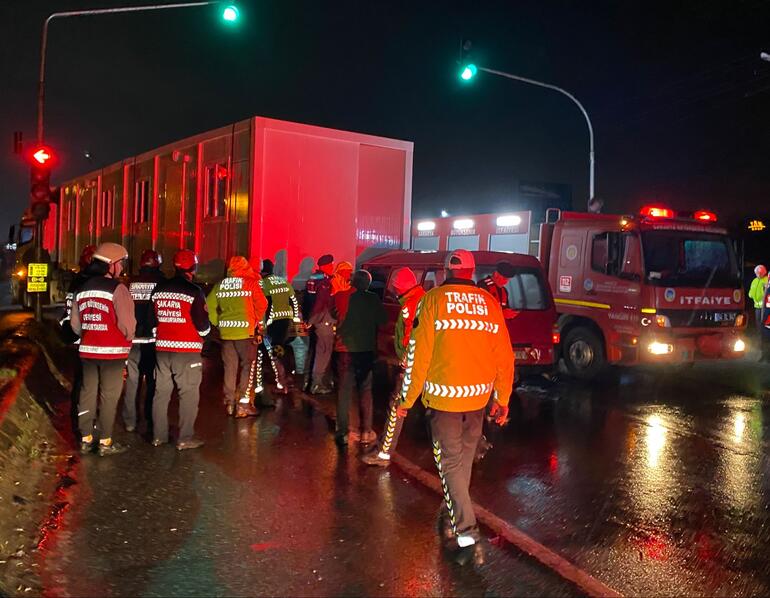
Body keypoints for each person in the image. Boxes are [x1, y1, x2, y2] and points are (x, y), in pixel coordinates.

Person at [396, 249, 514, 563]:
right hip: (477, 400)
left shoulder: (432, 300)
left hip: (444, 400)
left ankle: (467, 535)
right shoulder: (490, 303)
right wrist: (502, 399)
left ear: (446, 270)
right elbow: (504, 356)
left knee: (450, 465)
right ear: (473, 271)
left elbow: (418, 358)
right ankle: (453, 520)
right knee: (461, 464)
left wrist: (405, 400)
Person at [70, 242, 136, 457]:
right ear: (112, 265)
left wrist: (89, 335)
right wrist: (127, 340)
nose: (122, 267)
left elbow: (75, 325)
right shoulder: (118, 289)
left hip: (88, 351)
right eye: (121, 263)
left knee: (87, 393)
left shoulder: (82, 289)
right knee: (109, 396)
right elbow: (127, 324)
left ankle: (86, 439)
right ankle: (105, 442)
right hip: (113, 353)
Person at [362, 267, 425, 466]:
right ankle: (477, 445)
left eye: (394, 288)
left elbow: (409, 338)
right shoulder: (426, 299)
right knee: (439, 411)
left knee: (397, 407)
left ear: (399, 287)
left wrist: (406, 359)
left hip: (413, 366)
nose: (393, 292)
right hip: (429, 365)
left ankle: (384, 453)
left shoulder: (409, 306)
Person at [150, 250, 209, 449]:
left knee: (161, 393)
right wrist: (206, 333)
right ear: (193, 267)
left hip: (162, 348)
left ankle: (159, 436)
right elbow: (203, 325)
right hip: (187, 350)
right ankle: (185, 438)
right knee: (188, 393)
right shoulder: (194, 291)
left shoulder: (159, 289)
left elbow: (153, 318)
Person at [207, 256, 268, 417]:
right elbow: (262, 304)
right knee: (248, 367)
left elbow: (208, 306)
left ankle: (229, 402)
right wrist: (256, 322)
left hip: (226, 334)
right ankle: (243, 405)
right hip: (245, 333)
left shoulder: (220, 285)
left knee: (230, 367)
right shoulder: (251, 283)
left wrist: (217, 322)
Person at [332, 269, 387, 447]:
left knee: (344, 392)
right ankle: (365, 431)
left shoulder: (340, 296)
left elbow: (334, 314)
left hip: (344, 350)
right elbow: (383, 320)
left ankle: (342, 433)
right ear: (368, 284)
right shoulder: (372, 299)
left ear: (352, 281)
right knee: (365, 390)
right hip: (365, 351)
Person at [123, 249, 165, 433]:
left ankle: (130, 421)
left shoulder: (130, 283)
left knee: (132, 381)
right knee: (153, 381)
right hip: (152, 339)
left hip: (133, 338)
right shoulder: (162, 283)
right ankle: (150, 418)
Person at [259, 259, 301, 394]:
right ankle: (287, 377)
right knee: (281, 348)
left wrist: (263, 324)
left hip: (273, 322)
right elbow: (294, 300)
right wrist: (295, 318)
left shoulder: (263, 284)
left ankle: (282, 383)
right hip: (286, 321)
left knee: (274, 351)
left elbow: (266, 305)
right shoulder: (283, 281)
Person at [304, 254, 336, 394]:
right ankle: (316, 384)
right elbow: (320, 304)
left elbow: (308, 300)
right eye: (331, 265)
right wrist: (312, 320)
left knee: (312, 350)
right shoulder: (324, 282)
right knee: (323, 352)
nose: (333, 267)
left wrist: (308, 320)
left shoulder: (312, 279)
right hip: (322, 321)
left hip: (311, 321)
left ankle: (307, 381)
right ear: (326, 266)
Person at [59, 244, 96, 344]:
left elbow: (69, 309)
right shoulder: (96, 283)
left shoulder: (77, 281)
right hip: (87, 338)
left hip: (73, 336)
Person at [749, 265, 768, 332]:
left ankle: (765, 338)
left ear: (762, 273)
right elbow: (751, 290)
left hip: (765, 307)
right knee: (758, 323)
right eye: (756, 273)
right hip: (757, 307)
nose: (757, 274)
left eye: (758, 273)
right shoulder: (754, 280)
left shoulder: (767, 280)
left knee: (764, 324)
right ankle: (759, 337)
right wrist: (750, 294)